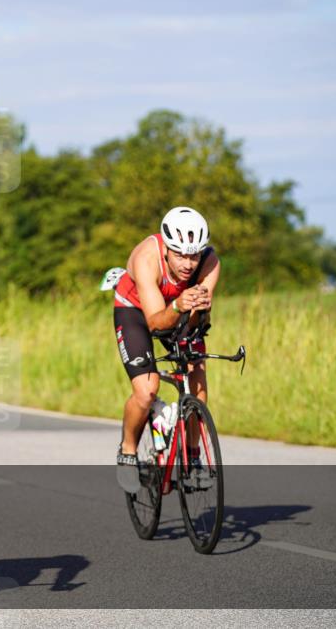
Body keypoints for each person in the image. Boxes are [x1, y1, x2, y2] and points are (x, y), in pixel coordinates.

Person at [111, 206, 220, 491]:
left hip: (179, 310)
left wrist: (194, 311)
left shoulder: (210, 262)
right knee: (147, 390)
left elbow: (196, 318)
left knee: (196, 378)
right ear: (167, 248)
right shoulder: (146, 258)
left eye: (194, 254)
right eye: (180, 254)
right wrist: (178, 305)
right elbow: (156, 323)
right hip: (136, 311)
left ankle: (193, 458)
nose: (188, 263)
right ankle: (128, 450)